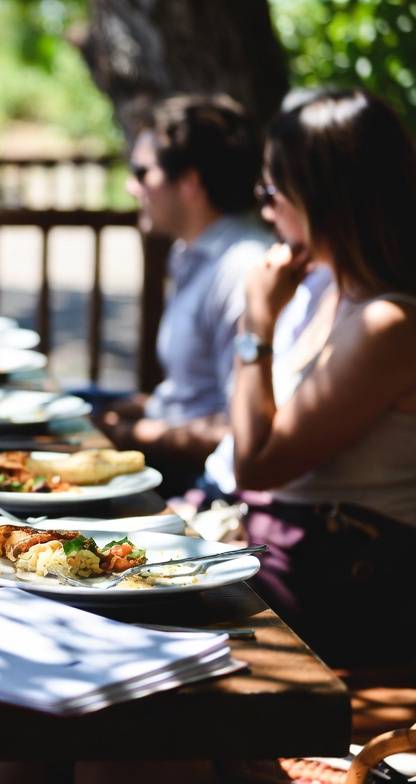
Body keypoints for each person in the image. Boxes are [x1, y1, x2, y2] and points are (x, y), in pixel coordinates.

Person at [229, 88, 416, 666]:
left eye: (272, 191)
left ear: (322, 197)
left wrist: (255, 326)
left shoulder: (390, 323)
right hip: (289, 557)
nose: (265, 210)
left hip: (344, 586)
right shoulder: (331, 292)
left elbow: (257, 463)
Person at [96, 95, 272, 493]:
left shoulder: (243, 267)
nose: (130, 185)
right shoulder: (191, 250)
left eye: (142, 172)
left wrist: (133, 434)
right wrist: (130, 412)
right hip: (166, 445)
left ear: (190, 182)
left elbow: (235, 429)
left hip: (195, 479)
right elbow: (192, 393)